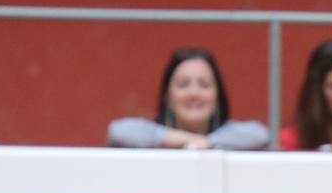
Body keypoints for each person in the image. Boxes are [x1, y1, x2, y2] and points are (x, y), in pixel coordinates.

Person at [108, 47, 271, 150]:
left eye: (204, 85)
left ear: (217, 96)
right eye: (183, 84)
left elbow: (260, 135)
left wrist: (209, 143)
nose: (194, 93)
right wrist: (184, 139)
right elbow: (118, 132)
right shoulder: (150, 132)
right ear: (167, 96)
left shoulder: (229, 135)